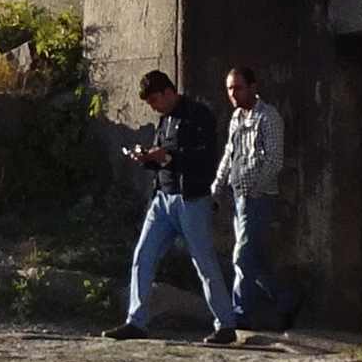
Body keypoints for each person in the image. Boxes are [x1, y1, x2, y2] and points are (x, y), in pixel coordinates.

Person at [113, 66, 234, 345]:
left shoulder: (199, 115)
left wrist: (168, 157)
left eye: (155, 100)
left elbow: (204, 157)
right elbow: (163, 158)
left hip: (192, 199)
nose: (154, 107)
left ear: (168, 92)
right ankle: (136, 321)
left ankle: (226, 324)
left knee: (204, 262)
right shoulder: (164, 120)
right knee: (143, 256)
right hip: (162, 199)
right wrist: (148, 158)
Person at [212, 61, 287, 331]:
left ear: (253, 87)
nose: (233, 94)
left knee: (242, 256)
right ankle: (286, 300)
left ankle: (240, 313)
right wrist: (217, 186)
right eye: (230, 89)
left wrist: (256, 189)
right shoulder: (236, 118)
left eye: (238, 88)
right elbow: (229, 154)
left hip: (258, 197)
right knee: (256, 259)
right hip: (238, 196)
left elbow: (274, 160)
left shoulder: (268, 117)